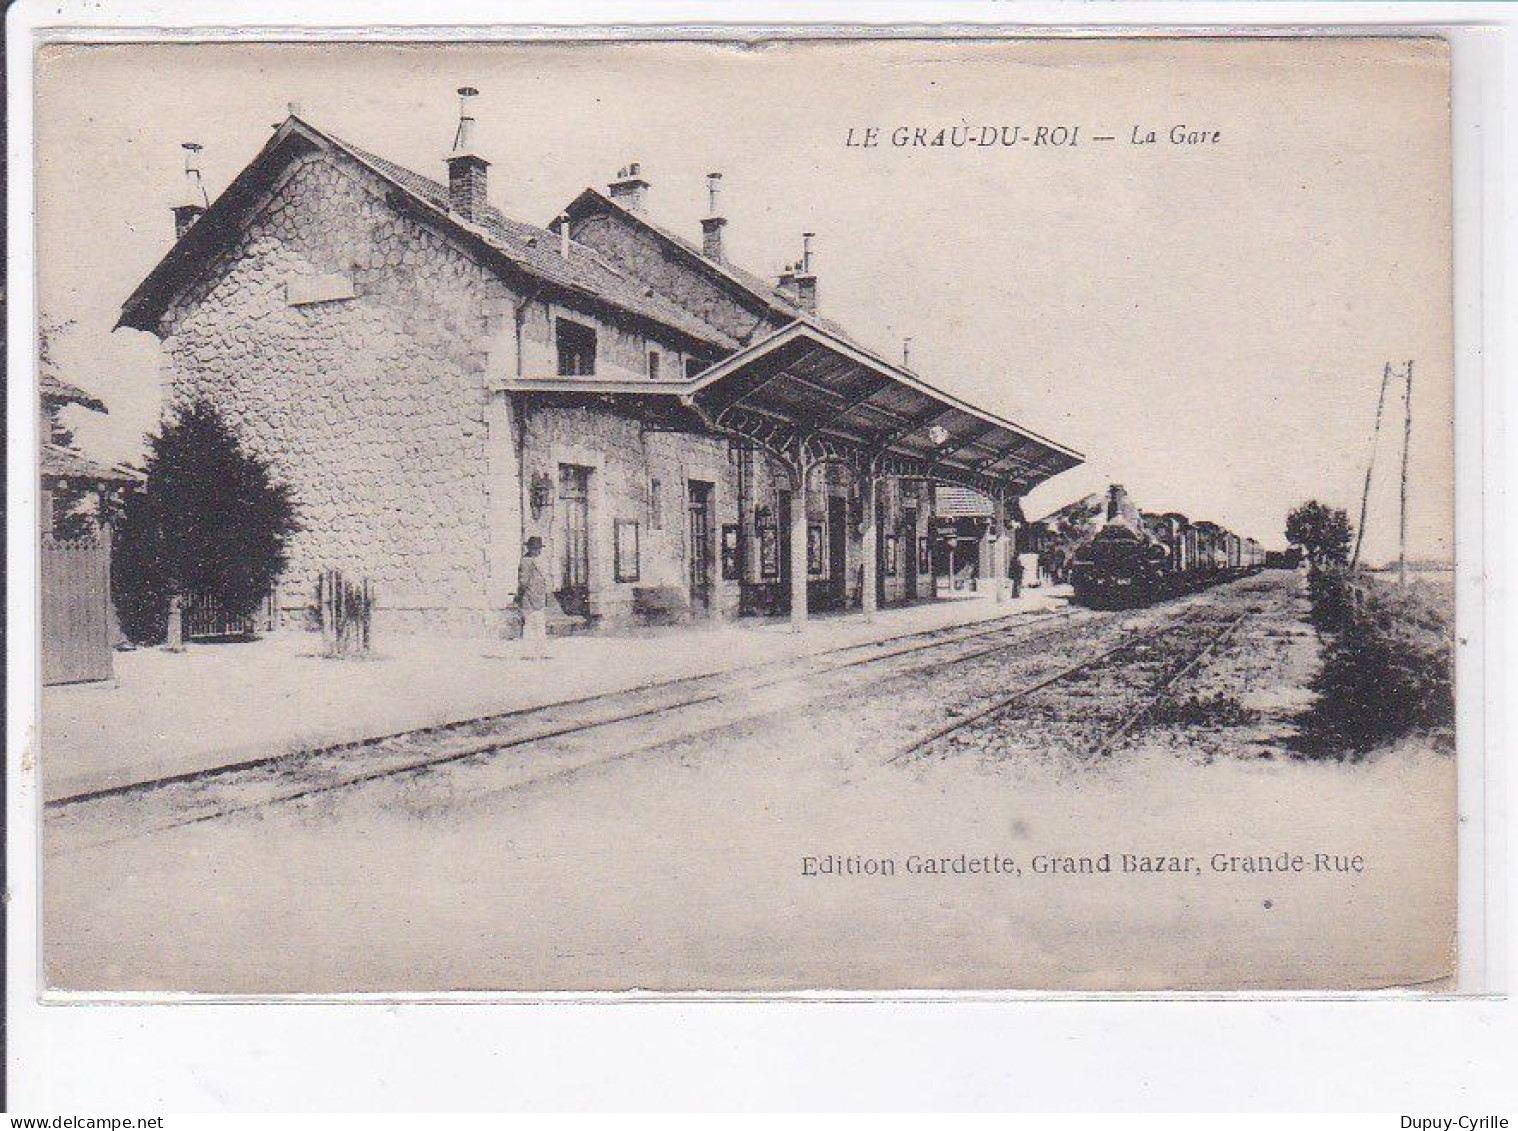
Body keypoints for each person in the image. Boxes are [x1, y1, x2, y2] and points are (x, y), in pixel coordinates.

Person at [518, 535, 550, 659]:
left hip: (539, 597)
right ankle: (528, 652)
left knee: (540, 625)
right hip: (529, 598)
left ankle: (542, 651)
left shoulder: (539, 560)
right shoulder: (526, 561)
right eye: (534, 548)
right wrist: (522, 596)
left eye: (538, 548)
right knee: (530, 625)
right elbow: (523, 581)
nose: (537, 551)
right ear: (529, 548)